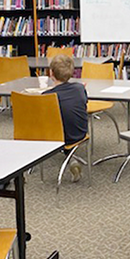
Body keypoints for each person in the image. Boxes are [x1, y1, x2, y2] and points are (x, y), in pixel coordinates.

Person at [44, 54, 88, 182]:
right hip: (79, 133)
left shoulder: (47, 96)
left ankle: (70, 157)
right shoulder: (80, 88)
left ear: (51, 73)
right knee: (67, 121)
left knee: (57, 122)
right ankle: (71, 157)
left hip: (54, 137)